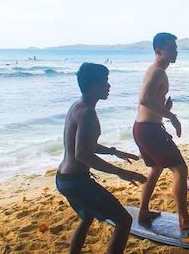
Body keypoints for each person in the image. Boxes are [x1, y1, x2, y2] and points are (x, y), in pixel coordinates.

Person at [56, 63, 146, 254]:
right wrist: (120, 172)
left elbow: (84, 146)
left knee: (87, 216)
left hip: (63, 178)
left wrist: (114, 152)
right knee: (124, 221)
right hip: (76, 181)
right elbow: (83, 154)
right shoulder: (88, 113)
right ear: (94, 86)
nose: (109, 86)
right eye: (105, 81)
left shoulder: (77, 106)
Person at [133, 32, 189, 230]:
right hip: (149, 129)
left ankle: (143, 210)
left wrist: (165, 108)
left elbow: (150, 101)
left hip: (142, 127)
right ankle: (184, 220)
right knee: (180, 169)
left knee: (156, 169)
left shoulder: (155, 70)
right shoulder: (157, 71)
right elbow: (144, 100)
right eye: (171, 48)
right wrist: (172, 117)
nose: (176, 52)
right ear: (159, 50)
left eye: (176, 48)